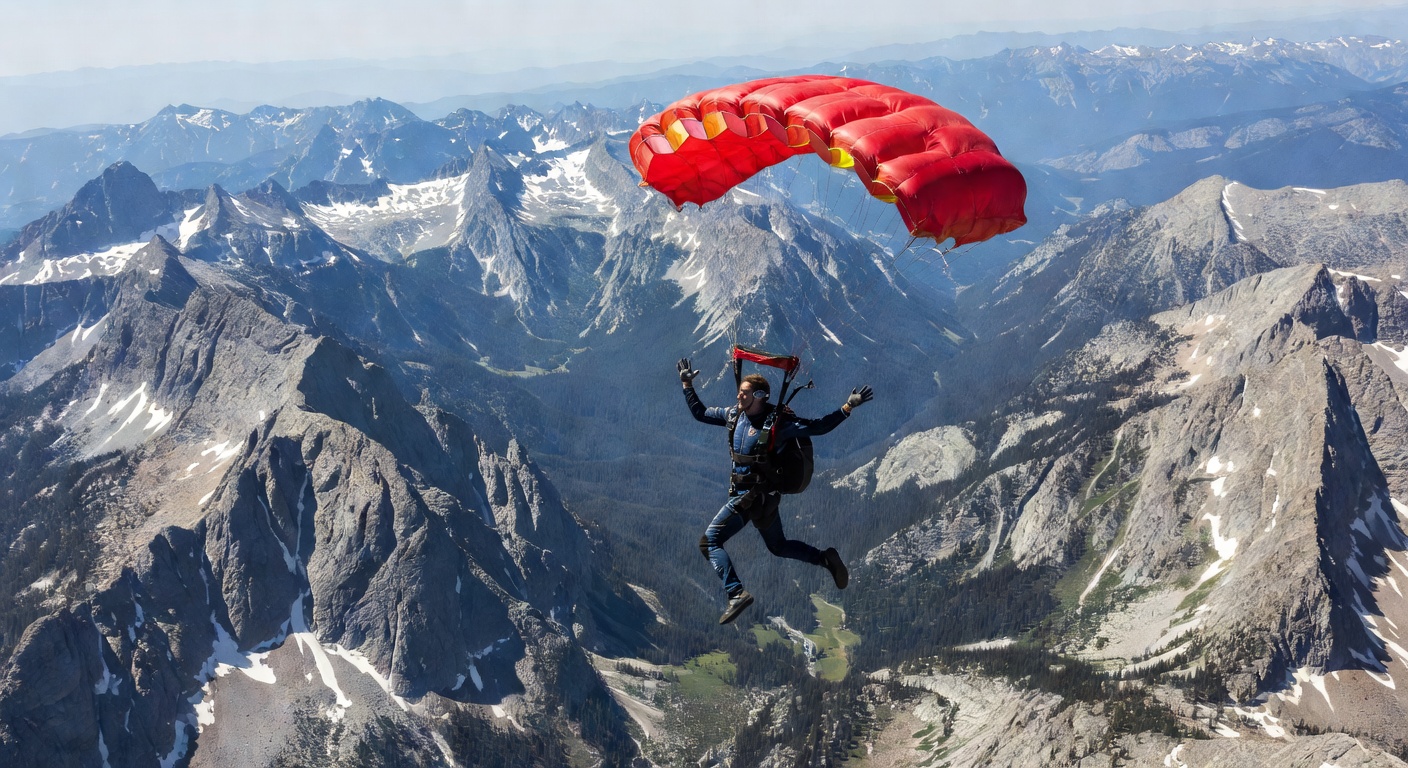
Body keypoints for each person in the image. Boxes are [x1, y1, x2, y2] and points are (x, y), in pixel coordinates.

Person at [678, 357, 874, 624]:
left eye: (744, 392)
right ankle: (824, 559)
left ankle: (736, 593)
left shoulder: (777, 425)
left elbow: (817, 427)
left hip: (746, 499)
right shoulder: (734, 415)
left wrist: (847, 407)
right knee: (778, 546)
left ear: (759, 396)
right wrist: (687, 383)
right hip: (765, 500)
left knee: (709, 542)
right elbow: (700, 413)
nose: (739, 395)